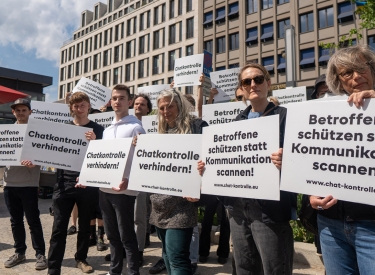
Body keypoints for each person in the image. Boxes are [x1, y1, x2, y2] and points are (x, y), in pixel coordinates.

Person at [198, 63, 296, 275]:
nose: (253, 84)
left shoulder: (287, 117)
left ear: (268, 84)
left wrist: (288, 160)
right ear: (241, 89)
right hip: (237, 211)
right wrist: (209, 165)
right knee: (244, 268)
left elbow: (302, 160)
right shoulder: (235, 123)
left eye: (258, 79)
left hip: (269, 211)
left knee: (275, 268)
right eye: (246, 81)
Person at [310, 44, 375, 275]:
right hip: (330, 225)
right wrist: (311, 194)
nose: (357, 76)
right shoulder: (324, 114)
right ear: (338, 80)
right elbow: (314, 160)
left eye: (361, 68)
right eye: (348, 72)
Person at [150, 88, 208, 275]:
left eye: (170, 106)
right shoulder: (160, 132)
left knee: (177, 258)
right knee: (167, 255)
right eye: (161, 108)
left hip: (182, 204)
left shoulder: (197, 126)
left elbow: (212, 159)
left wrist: (202, 175)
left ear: (180, 105)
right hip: (159, 203)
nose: (166, 111)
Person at [47, 92, 104, 275]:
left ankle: (81, 258)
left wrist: (96, 142)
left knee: (85, 227)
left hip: (88, 185)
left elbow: (105, 156)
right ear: (71, 108)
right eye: (75, 105)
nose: (79, 109)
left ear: (88, 106)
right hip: (64, 185)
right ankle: (53, 267)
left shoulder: (99, 130)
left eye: (82, 105)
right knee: (58, 228)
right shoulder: (64, 128)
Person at [99, 84, 145, 275]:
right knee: (112, 235)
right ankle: (114, 270)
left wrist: (129, 179)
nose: (117, 101)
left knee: (127, 236)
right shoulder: (106, 130)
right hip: (104, 190)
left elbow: (141, 160)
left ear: (129, 101)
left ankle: (133, 271)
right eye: (114, 98)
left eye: (121, 98)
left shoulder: (136, 127)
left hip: (124, 191)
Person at [3, 98, 47, 270]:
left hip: (29, 183)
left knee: (33, 220)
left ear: (30, 112)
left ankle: (40, 254)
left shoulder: (36, 132)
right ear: (13, 112)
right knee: (15, 221)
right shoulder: (5, 132)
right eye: (17, 110)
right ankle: (19, 252)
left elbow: (44, 154)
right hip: (9, 182)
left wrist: (36, 161)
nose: (20, 113)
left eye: (24, 110)